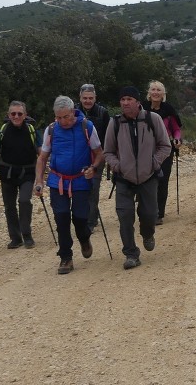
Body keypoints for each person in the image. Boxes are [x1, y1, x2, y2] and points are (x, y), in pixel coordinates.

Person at [103, 86, 172, 270]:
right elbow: (108, 151)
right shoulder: (115, 123)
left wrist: (153, 163)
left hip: (148, 177)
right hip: (124, 179)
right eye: (122, 100)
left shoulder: (152, 119)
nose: (125, 103)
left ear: (138, 101)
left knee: (150, 214)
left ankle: (147, 233)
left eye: (129, 99)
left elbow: (165, 146)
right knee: (124, 215)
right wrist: (118, 166)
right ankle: (131, 254)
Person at [33, 95, 103, 275]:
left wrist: (93, 168)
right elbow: (42, 158)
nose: (62, 121)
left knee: (80, 219)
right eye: (58, 117)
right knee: (61, 218)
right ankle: (66, 257)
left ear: (73, 112)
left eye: (65, 116)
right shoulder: (52, 130)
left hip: (80, 179)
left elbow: (99, 153)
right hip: (58, 181)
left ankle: (84, 238)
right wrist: (39, 181)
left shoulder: (86, 126)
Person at [0, 100, 39, 249]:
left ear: (25, 115)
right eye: (13, 113)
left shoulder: (32, 131)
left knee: (24, 201)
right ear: (8, 115)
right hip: (7, 173)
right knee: (9, 206)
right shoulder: (2, 131)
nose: (16, 116)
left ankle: (26, 234)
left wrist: (42, 176)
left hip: (27, 172)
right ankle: (15, 238)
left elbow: (41, 153)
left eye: (19, 114)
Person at [146, 80, 183, 223]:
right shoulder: (141, 108)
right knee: (147, 180)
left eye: (158, 90)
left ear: (163, 94)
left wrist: (178, 140)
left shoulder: (169, 110)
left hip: (165, 150)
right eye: (153, 89)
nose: (155, 92)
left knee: (162, 180)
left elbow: (176, 129)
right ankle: (147, 210)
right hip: (145, 149)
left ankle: (158, 213)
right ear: (149, 93)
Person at [78, 84, 111, 233]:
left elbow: (109, 134)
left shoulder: (103, 112)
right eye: (85, 98)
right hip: (79, 156)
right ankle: (92, 213)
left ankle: (90, 222)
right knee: (81, 188)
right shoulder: (73, 112)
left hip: (98, 154)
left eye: (90, 98)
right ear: (80, 98)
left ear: (95, 98)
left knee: (93, 186)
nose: (88, 101)